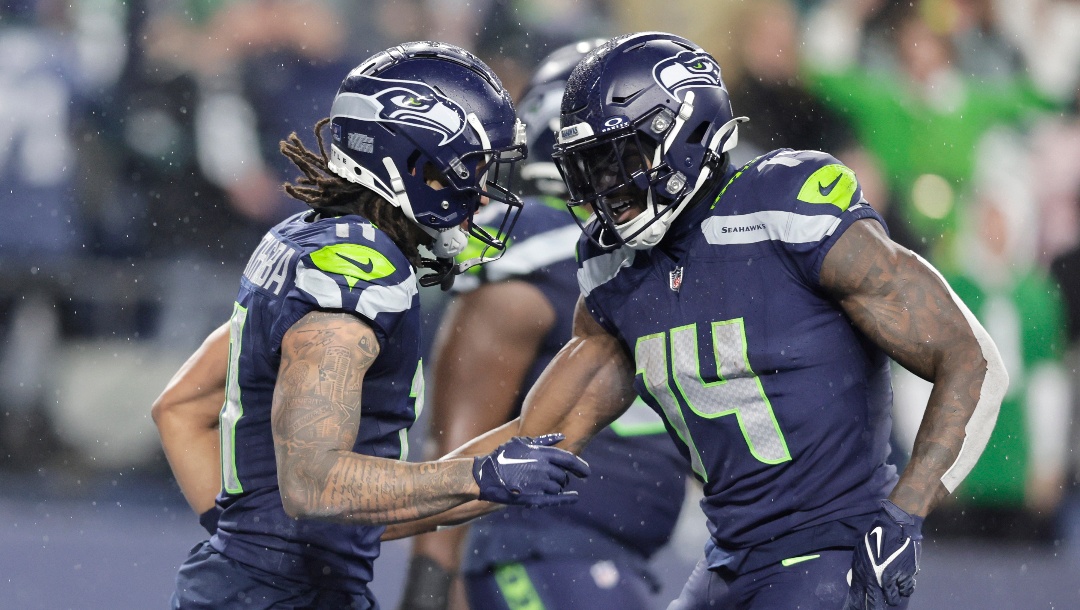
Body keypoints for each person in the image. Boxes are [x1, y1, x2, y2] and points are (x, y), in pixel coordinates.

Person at [384, 32, 1008, 610]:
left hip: (831, 551)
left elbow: (970, 359)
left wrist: (903, 515)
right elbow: (533, 442)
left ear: (686, 131)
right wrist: (366, 511)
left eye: (621, 159)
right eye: (591, 168)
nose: (607, 190)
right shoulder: (616, 271)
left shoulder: (786, 207)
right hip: (728, 562)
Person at [150, 41, 592, 610]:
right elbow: (313, 482)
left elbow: (180, 406)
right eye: (469, 170)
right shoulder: (359, 275)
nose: (482, 194)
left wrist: (249, 544)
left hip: (270, 590)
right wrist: (478, 475)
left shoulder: (313, 238)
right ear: (412, 164)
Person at [397, 40, 688, 610]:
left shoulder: (649, 249)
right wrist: (429, 588)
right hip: (542, 549)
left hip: (604, 557)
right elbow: (454, 452)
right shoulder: (539, 247)